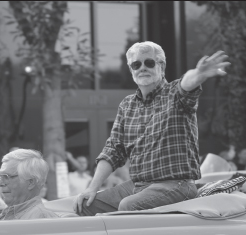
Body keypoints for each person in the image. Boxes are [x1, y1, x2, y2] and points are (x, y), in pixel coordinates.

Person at [74, 41, 230, 215]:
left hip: (177, 185)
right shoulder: (127, 105)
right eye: (136, 64)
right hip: (138, 185)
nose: (142, 68)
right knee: (86, 206)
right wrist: (92, 188)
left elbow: (187, 84)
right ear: (131, 69)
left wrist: (200, 74)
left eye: (149, 62)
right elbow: (113, 150)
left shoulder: (174, 94)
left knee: (128, 206)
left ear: (161, 66)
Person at [0, 149, 58, 220]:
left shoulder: (42, 219)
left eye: (6, 177)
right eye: (0, 177)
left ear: (31, 182)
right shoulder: (4, 215)